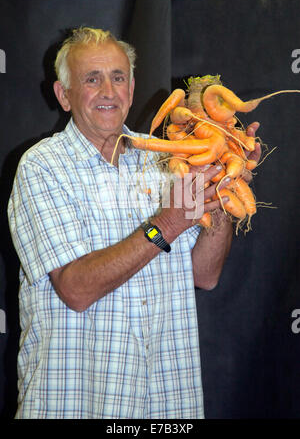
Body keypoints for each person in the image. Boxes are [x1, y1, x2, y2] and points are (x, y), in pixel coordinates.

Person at [8, 27, 261, 419]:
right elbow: (75, 289)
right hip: (78, 406)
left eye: (118, 76)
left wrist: (221, 191)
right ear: (64, 95)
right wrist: (168, 223)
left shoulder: (166, 158)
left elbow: (205, 274)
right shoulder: (42, 168)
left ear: (132, 86)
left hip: (165, 405)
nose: (109, 90)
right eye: (92, 79)